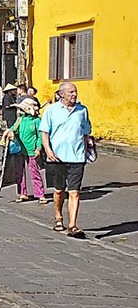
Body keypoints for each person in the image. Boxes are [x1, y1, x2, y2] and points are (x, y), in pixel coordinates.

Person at [40, 81, 95, 238]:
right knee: (59, 191)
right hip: (57, 157)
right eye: (71, 92)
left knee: (75, 191)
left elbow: (86, 132)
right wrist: (48, 150)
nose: (74, 94)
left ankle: (73, 225)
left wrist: (85, 150)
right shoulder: (51, 110)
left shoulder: (82, 110)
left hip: (77, 157)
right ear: (61, 93)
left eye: (75, 92)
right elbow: (44, 132)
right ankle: (58, 216)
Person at [0, 98, 48, 204]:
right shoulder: (20, 119)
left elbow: (40, 136)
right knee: (19, 172)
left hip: (32, 150)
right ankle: (22, 193)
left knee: (34, 172)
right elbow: (13, 128)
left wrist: (38, 148)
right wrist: (9, 133)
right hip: (19, 149)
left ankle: (40, 194)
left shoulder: (37, 121)